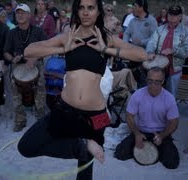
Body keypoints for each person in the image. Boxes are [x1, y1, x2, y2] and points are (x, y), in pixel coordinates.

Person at [17, 0, 147, 179]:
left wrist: (106, 49)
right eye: (81, 7)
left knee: (85, 172)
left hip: (96, 116)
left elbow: (141, 54)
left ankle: (85, 147)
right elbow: (28, 51)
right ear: (77, 11)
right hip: (65, 109)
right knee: (26, 146)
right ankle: (82, 145)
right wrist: (64, 47)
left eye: (91, 8)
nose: (86, 12)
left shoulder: (105, 37)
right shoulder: (69, 35)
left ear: (98, 12)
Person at [114, 66, 180, 169]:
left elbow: (174, 122)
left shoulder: (169, 98)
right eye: (150, 81)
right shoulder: (138, 94)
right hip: (141, 131)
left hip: (160, 133)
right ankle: (150, 148)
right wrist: (136, 134)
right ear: (146, 80)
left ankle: (157, 150)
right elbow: (129, 116)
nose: (153, 85)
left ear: (162, 81)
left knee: (172, 163)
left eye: (157, 82)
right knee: (120, 154)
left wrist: (162, 136)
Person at [3, 3, 47, 132]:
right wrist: (12, 59)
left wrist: (34, 59)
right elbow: (6, 51)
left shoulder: (38, 31)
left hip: (36, 64)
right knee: (15, 92)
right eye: (18, 13)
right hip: (18, 66)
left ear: (29, 15)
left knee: (40, 88)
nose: (20, 15)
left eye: (23, 13)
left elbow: (47, 48)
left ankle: (41, 119)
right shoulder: (11, 33)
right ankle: (20, 120)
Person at [146, 5, 188, 98]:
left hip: (174, 69)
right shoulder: (159, 29)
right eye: (170, 14)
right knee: (154, 93)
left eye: (175, 15)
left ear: (180, 17)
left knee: (171, 96)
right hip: (158, 67)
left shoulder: (186, 32)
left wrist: (173, 51)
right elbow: (151, 42)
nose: (172, 17)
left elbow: (186, 52)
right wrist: (150, 52)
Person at [122, 0, 157, 88]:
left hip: (146, 56)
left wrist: (142, 41)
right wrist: (125, 44)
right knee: (132, 80)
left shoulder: (151, 20)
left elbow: (155, 38)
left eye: (135, 6)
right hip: (132, 55)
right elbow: (126, 33)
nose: (132, 8)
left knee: (143, 81)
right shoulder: (132, 21)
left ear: (141, 7)